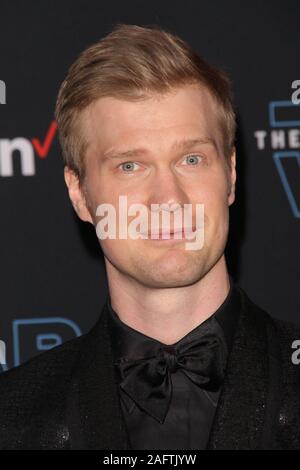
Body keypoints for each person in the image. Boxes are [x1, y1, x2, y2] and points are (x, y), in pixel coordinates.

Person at [0, 23, 299, 450]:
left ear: (231, 174)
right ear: (79, 194)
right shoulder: (11, 418)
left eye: (191, 159)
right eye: (130, 166)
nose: (168, 199)